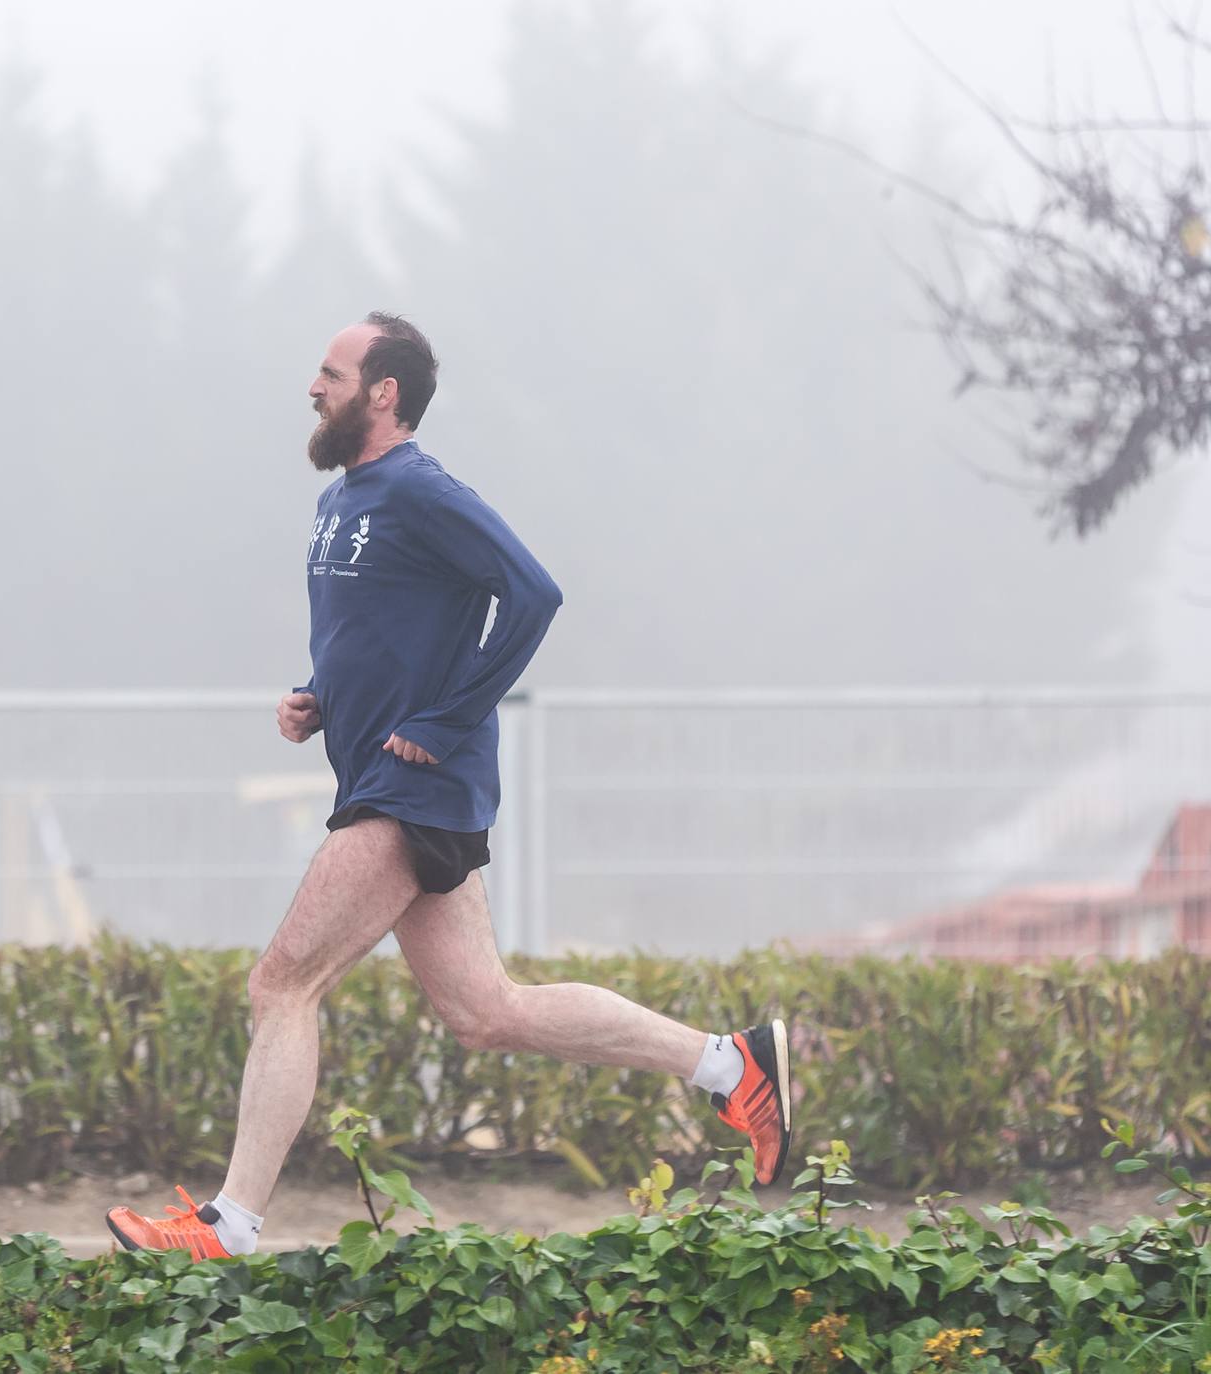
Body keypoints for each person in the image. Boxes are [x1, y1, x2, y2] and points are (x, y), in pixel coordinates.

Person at [106, 313, 791, 1259]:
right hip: (384, 780)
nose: (313, 388)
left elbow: (534, 592)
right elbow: (379, 634)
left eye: (330, 372)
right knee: (485, 1013)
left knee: (281, 983)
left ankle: (230, 1225)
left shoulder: (424, 492)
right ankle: (730, 1064)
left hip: (410, 790)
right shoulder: (341, 501)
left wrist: (446, 719)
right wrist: (316, 697)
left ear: (382, 392)